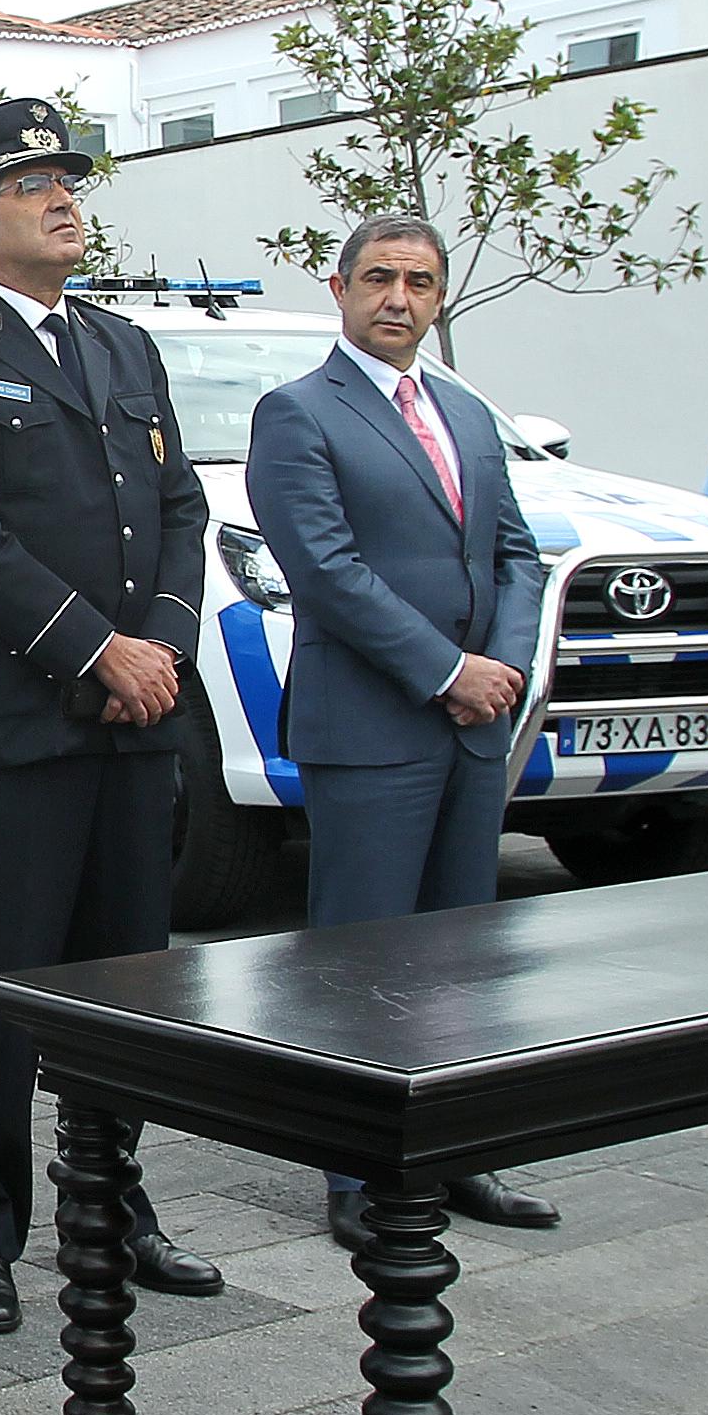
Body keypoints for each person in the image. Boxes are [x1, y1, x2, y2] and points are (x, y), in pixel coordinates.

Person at [0, 98, 224, 1330]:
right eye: (31, 185)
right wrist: (96, 648)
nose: (63, 196)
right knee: (5, 985)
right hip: (21, 729)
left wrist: (163, 647)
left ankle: (114, 1203)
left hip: (134, 724)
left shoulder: (124, 347)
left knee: (130, 983)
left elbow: (179, 509)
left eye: (67, 178)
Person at [242, 212, 555, 1258]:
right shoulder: (296, 414)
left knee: (461, 954)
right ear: (337, 288)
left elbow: (517, 550)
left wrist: (499, 668)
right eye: (377, 277)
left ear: (438, 297)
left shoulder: (463, 413)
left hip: (471, 727)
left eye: (418, 282)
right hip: (374, 727)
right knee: (362, 958)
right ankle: (353, 1169)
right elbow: (327, 570)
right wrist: (444, 669)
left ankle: (460, 1150)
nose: (398, 298)